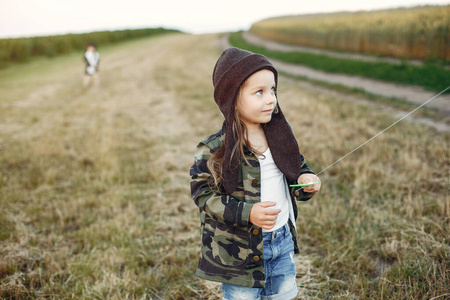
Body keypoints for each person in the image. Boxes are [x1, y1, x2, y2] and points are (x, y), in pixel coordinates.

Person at [190, 47, 321, 300]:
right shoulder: (214, 149)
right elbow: (203, 196)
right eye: (259, 92)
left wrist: (306, 181)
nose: (271, 99)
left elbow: (296, 170)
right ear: (232, 99)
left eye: (272, 90)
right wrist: (248, 212)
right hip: (238, 254)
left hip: (281, 240)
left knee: (282, 295)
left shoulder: (280, 137)